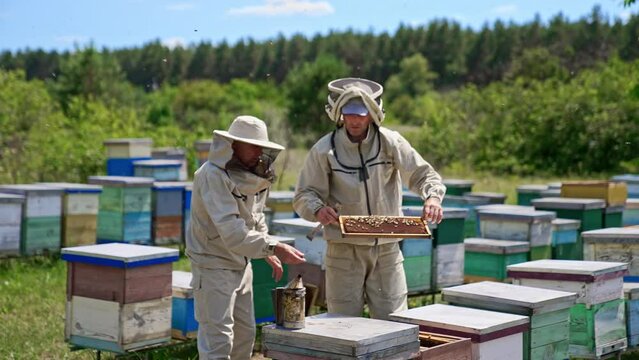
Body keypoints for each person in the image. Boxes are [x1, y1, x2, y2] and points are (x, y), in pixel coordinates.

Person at [293, 77, 445, 320]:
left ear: (372, 113)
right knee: (342, 325)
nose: (354, 120)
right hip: (344, 251)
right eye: (349, 113)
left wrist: (433, 198)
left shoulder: (391, 142)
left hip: (386, 250)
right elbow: (303, 194)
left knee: (394, 323)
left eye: (361, 113)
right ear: (339, 113)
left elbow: (424, 175)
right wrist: (318, 209)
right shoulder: (324, 150)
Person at [186, 115, 306, 360]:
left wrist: (267, 250)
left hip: (242, 264)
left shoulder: (255, 174)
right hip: (213, 264)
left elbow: (256, 218)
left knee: (245, 335)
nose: (258, 151)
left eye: (260, 146)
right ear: (233, 144)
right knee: (218, 339)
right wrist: (273, 247)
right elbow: (231, 231)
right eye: (252, 145)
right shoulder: (211, 175)